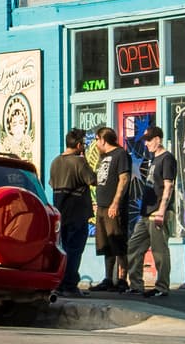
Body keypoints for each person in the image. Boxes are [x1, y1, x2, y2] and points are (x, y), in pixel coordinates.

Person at [127, 125, 177, 297]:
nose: (146, 144)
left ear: (158, 139)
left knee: (159, 252)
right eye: (145, 141)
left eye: (149, 140)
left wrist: (162, 210)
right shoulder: (153, 160)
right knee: (134, 246)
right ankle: (136, 285)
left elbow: (168, 186)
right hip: (145, 213)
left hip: (158, 212)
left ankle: (162, 288)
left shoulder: (167, 158)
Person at [49, 128, 95, 297]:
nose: (84, 146)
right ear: (78, 145)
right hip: (77, 213)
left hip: (61, 213)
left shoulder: (55, 162)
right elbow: (93, 179)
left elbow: (52, 184)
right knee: (75, 250)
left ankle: (60, 283)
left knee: (63, 249)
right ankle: (70, 285)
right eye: (83, 143)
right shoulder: (79, 162)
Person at [91, 126, 130, 292]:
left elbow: (124, 179)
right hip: (101, 206)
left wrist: (115, 203)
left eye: (97, 140)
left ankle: (122, 279)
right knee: (105, 245)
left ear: (103, 139)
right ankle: (108, 278)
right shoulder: (104, 157)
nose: (96, 143)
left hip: (113, 207)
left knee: (118, 243)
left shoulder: (120, 154)